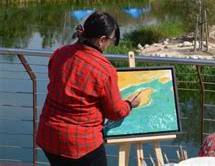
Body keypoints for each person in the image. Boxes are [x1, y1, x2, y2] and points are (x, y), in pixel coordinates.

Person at [36, 11, 141, 166]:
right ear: (101, 40)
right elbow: (115, 112)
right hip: (80, 143)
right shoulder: (104, 70)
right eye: (110, 41)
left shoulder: (60, 53)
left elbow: (57, 82)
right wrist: (130, 103)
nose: (109, 45)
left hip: (49, 135)